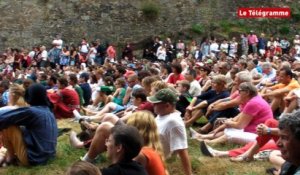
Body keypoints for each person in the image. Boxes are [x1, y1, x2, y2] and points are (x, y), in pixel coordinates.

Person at [0, 84, 57, 166]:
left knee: (9, 125)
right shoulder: (48, 111)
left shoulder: (33, 111)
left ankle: (10, 158)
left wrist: (11, 109)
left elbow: (2, 117)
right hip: (48, 156)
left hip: (34, 159)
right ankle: (7, 156)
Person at [147, 88, 192, 175]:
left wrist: (189, 174)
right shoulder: (162, 115)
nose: (153, 105)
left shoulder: (173, 122)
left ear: (167, 106)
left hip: (152, 158)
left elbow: (182, 151)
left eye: (156, 104)